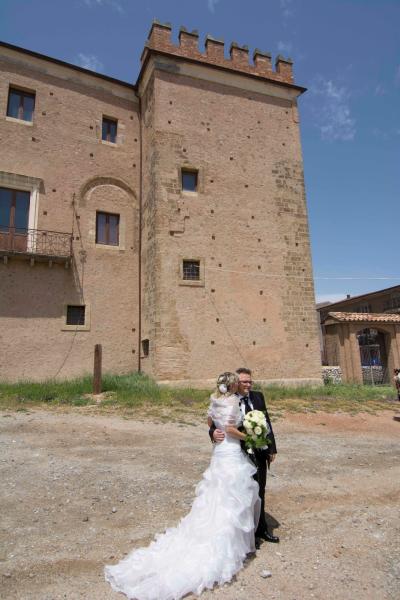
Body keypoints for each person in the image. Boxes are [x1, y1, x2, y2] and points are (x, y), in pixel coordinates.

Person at [105, 372, 261, 600]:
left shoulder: (214, 399)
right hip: (231, 453)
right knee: (232, 496)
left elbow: (210, 422)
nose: (241, 385)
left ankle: (222, 536)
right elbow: (229, 429)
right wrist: (248, 437)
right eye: (238, 382)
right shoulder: (234, 401)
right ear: (233, 385)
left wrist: (215, 431)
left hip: (219, 453)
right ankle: (229, 544)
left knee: (217, 495)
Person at [209, 367, 278, 544]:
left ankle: (261, 529)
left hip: (260, 451)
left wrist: (271, 447)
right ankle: (245, 534)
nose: (247, 385)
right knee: (243, 493)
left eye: (250, 381)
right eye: (244, 382)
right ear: (236, 384)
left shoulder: (258, 397)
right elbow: (215, 421)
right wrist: (212, 433)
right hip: (239, 452)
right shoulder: (228, 400)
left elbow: (266, 421)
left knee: (259, 490)